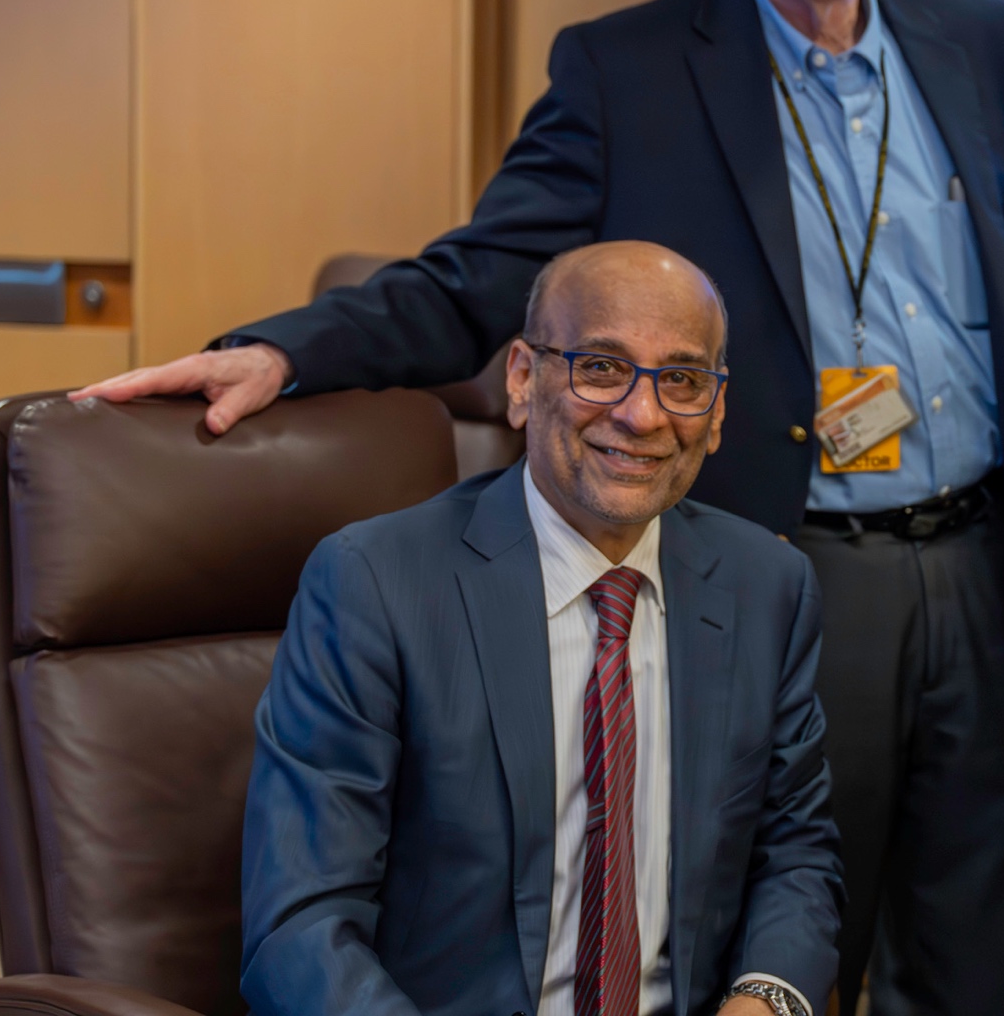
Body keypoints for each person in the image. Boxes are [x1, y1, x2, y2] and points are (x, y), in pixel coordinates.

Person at [84, 0, 1004, 1014]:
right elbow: (482, 276)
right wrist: (286, 348)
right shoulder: (630, 72)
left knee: (969, 946)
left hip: (971, 569)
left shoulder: (983, 47)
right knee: (783, 920)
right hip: (785, 568)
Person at [242, 242, 841, 1016]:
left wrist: (764, 1001)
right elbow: (300, 925)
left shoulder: (768, 586)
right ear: (522, 378)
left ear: (718, 412)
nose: (642, 414)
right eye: (600, 367)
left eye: (683, 381)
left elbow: (796, 856)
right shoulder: (375, 583)